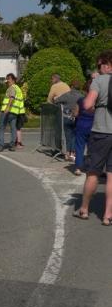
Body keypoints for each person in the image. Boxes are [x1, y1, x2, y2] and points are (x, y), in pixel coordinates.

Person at [73, 50, 112, 225]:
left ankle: (84, 209)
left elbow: (87, 104)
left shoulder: (99, 81)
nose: (98, 68)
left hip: (101, 132)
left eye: (99, 65)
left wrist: (96, 106)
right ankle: (107, 215)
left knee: (93, 173)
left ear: (106, 65)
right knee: (111, 176)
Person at [55, 80, 83, 162]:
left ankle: (67, 153)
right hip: (77, 118)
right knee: (75, 136)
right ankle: (73, 153)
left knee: (68, 136)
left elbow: (56, 100)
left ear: (71, 87)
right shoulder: (81, 96)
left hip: (67, 117)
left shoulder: (67, 95)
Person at [0, 73, 24, 152]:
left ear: (13, 80)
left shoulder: (12, 88)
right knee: (13, 128)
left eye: (9, 79)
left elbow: (12, 97)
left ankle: (0, 146)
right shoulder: (18, 88)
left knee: (1, 128)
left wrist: (7, 108)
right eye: (7, 79)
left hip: (7, 112)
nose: (7, 81)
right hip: (14, 112)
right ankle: (12, 145)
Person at [74, 79, 95, 176]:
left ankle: (78, 168)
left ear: (85, 90)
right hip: (93, 126)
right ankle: (91, 167)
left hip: (81, 125)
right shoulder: (96, 102)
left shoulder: (80, 100)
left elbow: (75, 114)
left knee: (79, 147)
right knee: (92, 148)